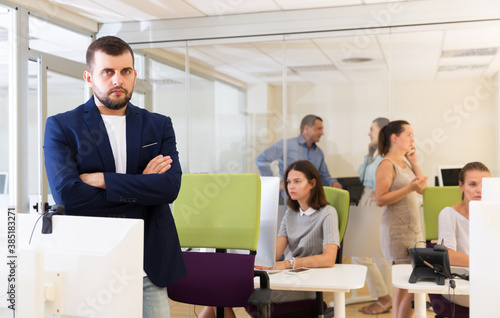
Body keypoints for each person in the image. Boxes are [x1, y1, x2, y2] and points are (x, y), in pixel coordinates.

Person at [43, 36, 186, 318]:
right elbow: (70, 197)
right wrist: (144, 186)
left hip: (149, 266)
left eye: (125, 71)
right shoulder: (62, 126)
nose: (117, 80)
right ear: (89, 77)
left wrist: (104, 180)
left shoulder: (158, 125)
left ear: (134, 74)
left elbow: (169, 188)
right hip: (92, 264)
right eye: (107, 71)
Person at [199, 160, 339, 318]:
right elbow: (274, 253)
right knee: (217, 295)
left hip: (305, 283)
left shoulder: (327, 213)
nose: (291, 186)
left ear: (312, 183)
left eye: (297, 182)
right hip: (286, 276)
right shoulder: (290, 214)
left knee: (220, 295)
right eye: (288, 182)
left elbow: (329, 258)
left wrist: (288, 263)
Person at [373, 120, 428, 318]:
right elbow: (380, 199)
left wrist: (414, 162)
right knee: (408, 284)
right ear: (394, 138)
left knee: (405, 286)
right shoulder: (386, 165)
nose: (413, 139)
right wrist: (409, 188)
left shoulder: (404, 163)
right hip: (397, 231)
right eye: (409, 134)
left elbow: (422, 187)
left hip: (412, 229)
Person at [353, 117, 393, 315]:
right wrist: (369, 152)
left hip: (374, 202)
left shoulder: (388, 156)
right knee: (378, 254)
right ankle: (387, 298)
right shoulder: (378, 154)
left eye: (372, 129)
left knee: (359, 254)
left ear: (381, 131)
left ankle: (384, 297)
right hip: (366, 199)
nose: (369, 133)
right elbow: (362, 175)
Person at [437, 161, 490, 308]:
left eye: (484, 185)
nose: (479, 190)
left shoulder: (493, 214)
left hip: (488, 278)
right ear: (461, 186)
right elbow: (448, 256)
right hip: (459, 282)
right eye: (472, 184)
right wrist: (485, 262)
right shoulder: (449, 214)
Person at [255, 114, 342, 192]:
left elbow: (324, 176)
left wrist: (333, 182)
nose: (322, 133)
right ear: (306, 128)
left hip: (312, 202)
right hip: (290, 201)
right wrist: (275, 183)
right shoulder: (286, 145)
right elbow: (261, 160)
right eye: (319, 129)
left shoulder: (319, 152)